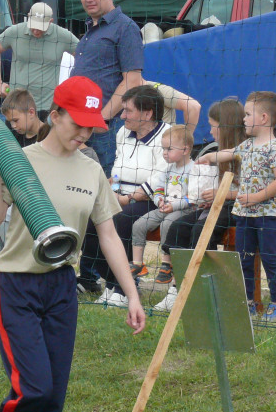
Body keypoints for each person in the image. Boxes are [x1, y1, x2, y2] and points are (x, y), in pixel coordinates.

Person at [0, 75, 144, 412]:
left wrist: (132, 293)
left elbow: (108, 235)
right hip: (16, 284)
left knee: (54, 394)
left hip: (61, 287)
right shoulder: (19, 161)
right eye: (76, 124)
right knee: (33, 387)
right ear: (54, 116)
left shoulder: (91, 170)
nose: (84, 133)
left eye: (90, 126)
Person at [199, 92, 276, 320]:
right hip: (244, 215)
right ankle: (248, 302)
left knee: (269, 258)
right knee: (244, 258)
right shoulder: (247, 144)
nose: (244, 119)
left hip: (267, 216)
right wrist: (211, 157)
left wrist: (257, 197)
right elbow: (230, 153)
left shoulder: (274, 148)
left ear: (264, 118)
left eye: (248, 114)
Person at [154, 99, 245, 312]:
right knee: (178, 227)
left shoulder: (245, 151)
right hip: (218, 204)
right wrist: (206, 194)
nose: (211, 131)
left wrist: (221, 194)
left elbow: (250, 192)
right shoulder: (219, 150)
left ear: (225, 126)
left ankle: (209, 289)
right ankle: (176, 289)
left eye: (213, 126)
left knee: (201, 230)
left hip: (238, 208)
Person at [84, 85, 169, 305]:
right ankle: (111, 282)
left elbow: (163, 175)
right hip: (120, 195)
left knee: (121, 220)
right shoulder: (123, 133)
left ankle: (122, 289)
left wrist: (130, 197)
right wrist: (112, 190)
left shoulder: (166, 136)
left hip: (153, 199)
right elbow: (118, 170)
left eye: (128, 111)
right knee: (89, 221)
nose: (122, 116)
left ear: (148, 113)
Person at [72, 0, 144, 173]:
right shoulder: (90, 29)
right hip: (82, 126)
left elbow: (132, 81)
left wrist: (101, 118)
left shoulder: (125, 28)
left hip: (107, 129)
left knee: (108, 186)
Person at [0, 89, 48, 259]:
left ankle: (19, 261)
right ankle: (3, 262)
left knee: (6, 217)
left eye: (15, 120)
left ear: (32, 112)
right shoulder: (10, 136)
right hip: (11, 195)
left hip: (38, 201)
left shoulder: (48, 136)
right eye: (9, 121)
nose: (13, 125)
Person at [129, 125, 196, 279]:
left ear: (185, 150)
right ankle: (138, 263)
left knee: (168, 224)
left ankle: (167, 263)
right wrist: (159, 200)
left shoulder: (194, 169)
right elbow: (158, 189)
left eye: (169, 149)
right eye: (163, 149)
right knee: (139, 224)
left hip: (184, 209)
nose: (164, 153)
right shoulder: (167, 170)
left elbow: (193, 197)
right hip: (164, 207)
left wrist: (174, 205)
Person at [0, 2, 78, 117]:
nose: (36, 31)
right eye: (33, 26)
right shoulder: (15, 32)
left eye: (41, 27)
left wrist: (73, 85)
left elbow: (83, 55)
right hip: (16, 106)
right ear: (28, 17)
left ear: (50, 22)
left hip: (46, 108)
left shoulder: (62, 35)